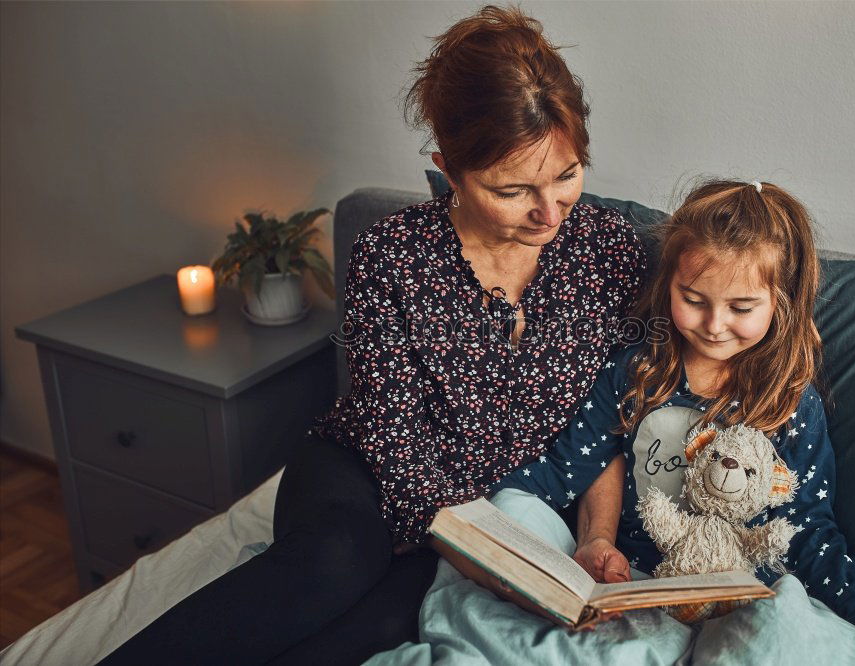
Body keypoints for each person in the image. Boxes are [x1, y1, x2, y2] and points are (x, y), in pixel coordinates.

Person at [100, 6, 644, 665]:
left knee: (368, 634)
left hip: (497, 516)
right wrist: (474, 543)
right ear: (449, 170)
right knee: (328, 569)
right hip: (363, 473)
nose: (549, 213)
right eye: (514, 190)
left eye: (567, 175)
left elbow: (604, 422)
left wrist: (592, 538)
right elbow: (394, 432)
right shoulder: (393, 251)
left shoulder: (608, 253)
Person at [368, 180, 855, 665]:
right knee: (512, 529)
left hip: (735, 585)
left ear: (782, 301)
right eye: (694, 299)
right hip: (631, 578)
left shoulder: (790, 403)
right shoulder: (639, 367)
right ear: (669, 285)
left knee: (774, 630)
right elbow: (573, 462)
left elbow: (806, 527)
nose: (714, 325)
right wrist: (495, 520)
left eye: (741, 307)